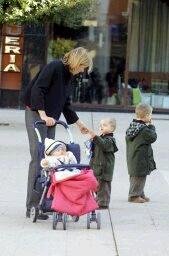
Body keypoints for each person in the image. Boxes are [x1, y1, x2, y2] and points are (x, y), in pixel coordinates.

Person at [24, 47, 92, 219]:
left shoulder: (69, 76)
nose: (82, 71)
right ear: (77, 62)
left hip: (50, 118)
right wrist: (42, 113)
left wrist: (79, 124)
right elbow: (38, 89)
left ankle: (43, 203)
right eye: (83, 67)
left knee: (50, 158)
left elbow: (65, 103)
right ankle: (32, 205)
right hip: (36, 114)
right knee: (39, 157)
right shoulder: (54, 67)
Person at [126, 103, 157, 203]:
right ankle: (133, 196)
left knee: (136, 177)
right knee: (139, 177)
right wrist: (152, 126)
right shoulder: (144, 130)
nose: (151, 117)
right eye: (151, 114)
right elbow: (153, 137)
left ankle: (140, 193)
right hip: (140, 159)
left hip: (133, 157)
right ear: (147, 115)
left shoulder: (133, 126)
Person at [86, 118, 118, 209]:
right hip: (97, 166)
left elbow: (104, 145)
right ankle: (98, 200)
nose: (101, 127)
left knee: (104, 186)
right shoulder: (101, 138)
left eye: (104, 125)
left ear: (112, 128)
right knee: (97, 185)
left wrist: (95, 137)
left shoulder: (110, 140)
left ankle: (103, 203)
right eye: (100, 125)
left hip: (105, 168)